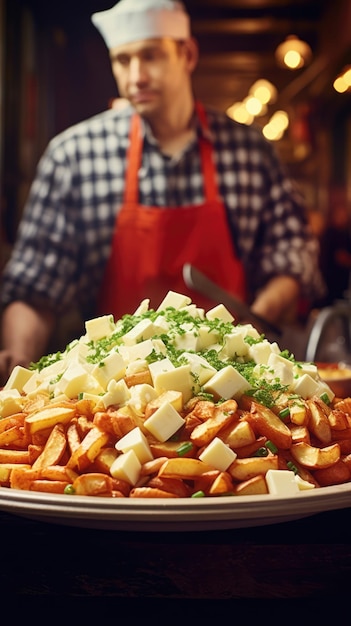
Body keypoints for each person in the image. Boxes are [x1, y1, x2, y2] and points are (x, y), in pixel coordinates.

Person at [0, 0, 325, 384]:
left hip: (230, 384)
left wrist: (247, 327)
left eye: (150, 56)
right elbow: (36, 287)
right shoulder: (73, 156)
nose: (135, 76)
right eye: (123, 60)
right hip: (115, 392)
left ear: (187, 54)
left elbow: (293, 256)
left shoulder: (249, 151)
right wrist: (18, 364)